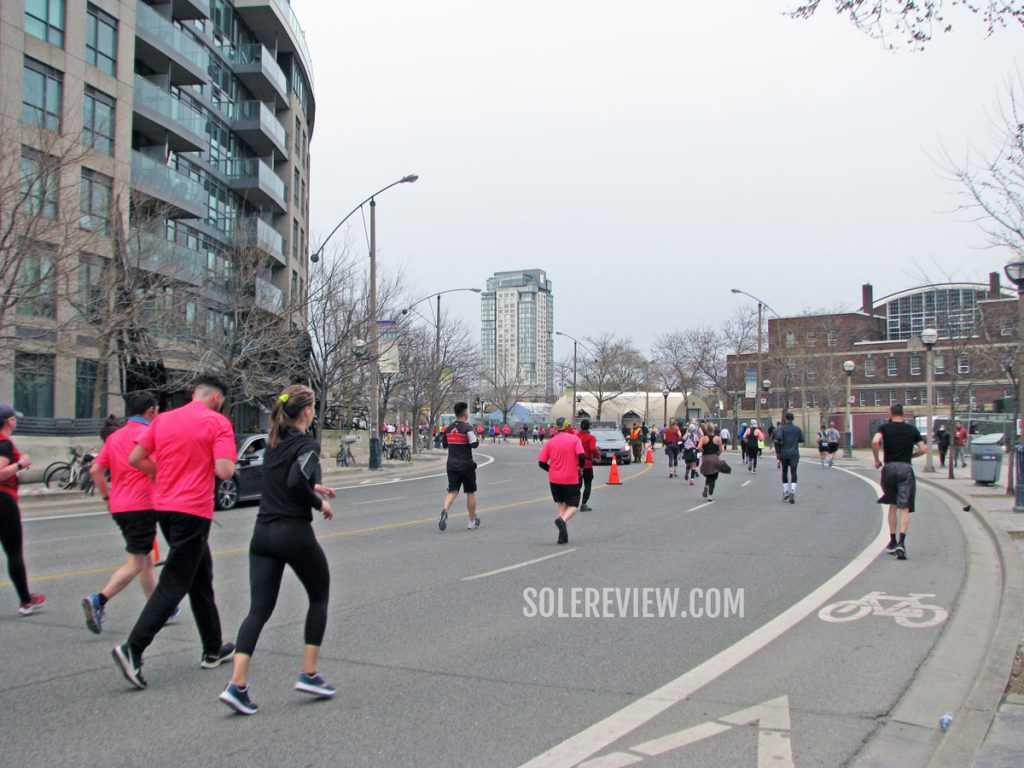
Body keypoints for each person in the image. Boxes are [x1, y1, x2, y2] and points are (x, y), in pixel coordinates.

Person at [112, 375, 237, 690]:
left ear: (195, 394)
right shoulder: (217, 422)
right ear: (216, 399)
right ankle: (133, 648)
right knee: (175, 582)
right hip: (193, 510)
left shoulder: (164, 420)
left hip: (164, 507)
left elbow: (135, 458)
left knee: (200, 576)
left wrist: (165, 473)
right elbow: (225, 470)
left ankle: (212, 648)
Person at [219, 385, 337, 715]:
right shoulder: (308, 444)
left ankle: (237, 684)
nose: (313, 411)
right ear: (306, 412)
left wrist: (313, 486)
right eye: (312, 407)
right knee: (320, 596)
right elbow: (294, 482)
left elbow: (284, 477)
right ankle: (309, 673)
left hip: (262, 534)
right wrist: (319, 503)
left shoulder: (273, 443)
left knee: (258, 610)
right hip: (292, 532)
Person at [84, 393, 181, 634]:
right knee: (137, 562)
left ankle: (161, 609)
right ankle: (100, 599)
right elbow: (157, 469)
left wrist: (106, 496)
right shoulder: (148, 435)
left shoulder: (115, 437)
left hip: (119, 504)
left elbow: (96, 469)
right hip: (142, 504)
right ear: (151, 411)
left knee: (146, 560)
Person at [0, 403, 45, 616]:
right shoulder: (4, 443)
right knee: (14, 551)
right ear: (9, 421)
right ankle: (26, 601)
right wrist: (20, 464)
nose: (15, 421)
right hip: (3, 500)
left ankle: (27, 598)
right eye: (14, 418)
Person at [872, 404, 926, 560]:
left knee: (892, 504)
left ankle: (892, 540)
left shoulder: (884, 428)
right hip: (905, 468)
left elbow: (875, 441)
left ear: (891, 413)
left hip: (889, 468)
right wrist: (911, 456)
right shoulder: (912, 430)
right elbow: (923, 448)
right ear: (903, 415)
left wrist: (877, 460)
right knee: (905, 507)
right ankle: (902, 541)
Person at [538, 418, 585, 544]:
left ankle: (561, 536)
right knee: (574, 505)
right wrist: (580, 468)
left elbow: (541, 462)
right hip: (571, 478)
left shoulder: (550, 442)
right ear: (567, 426)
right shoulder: (575, 440)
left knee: (561, 504)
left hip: (555, 479)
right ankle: (562, 520)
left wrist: (551, 470)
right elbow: (581, 456)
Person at [439, 402, 480, 532]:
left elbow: (445, 445)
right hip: (466, 465)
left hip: (451, 465)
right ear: (465, 413)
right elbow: (474, 444)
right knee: (470, 492)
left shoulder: (448, 429)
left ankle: (445, 510)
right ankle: (471, 521)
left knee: (452, 491)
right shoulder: (467, 428)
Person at [776, 413, 805, 504]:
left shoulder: (782, 428)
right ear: (793, 419)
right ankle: (792, 490)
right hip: (794, 453)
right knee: (794, 472)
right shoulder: (797, 429)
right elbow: (802, 439)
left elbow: (779, 438)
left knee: (784, 472)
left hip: (784, 453)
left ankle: (785, 492)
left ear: (785, 419)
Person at [576, 419, 601, 511]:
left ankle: (572, 503)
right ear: (589, 427)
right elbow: (592, 448)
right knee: (587, 485)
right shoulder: (591, 438)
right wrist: (598, 456)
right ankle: (583, 504)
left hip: (577, 464)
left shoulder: (576, 437)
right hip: (587, 464)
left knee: (577, 485)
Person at [699, 425, 728, 500]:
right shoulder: (718, 438)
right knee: (714, 476)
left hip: (705, 459)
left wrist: (702, 451)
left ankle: (706, 486)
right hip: (714, 458)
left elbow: (699, 447)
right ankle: (710, 495)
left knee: (708, 474)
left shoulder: (703, 438)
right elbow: (720, 450)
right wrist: (717, 454)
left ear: (706, 429)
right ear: (713, 429)